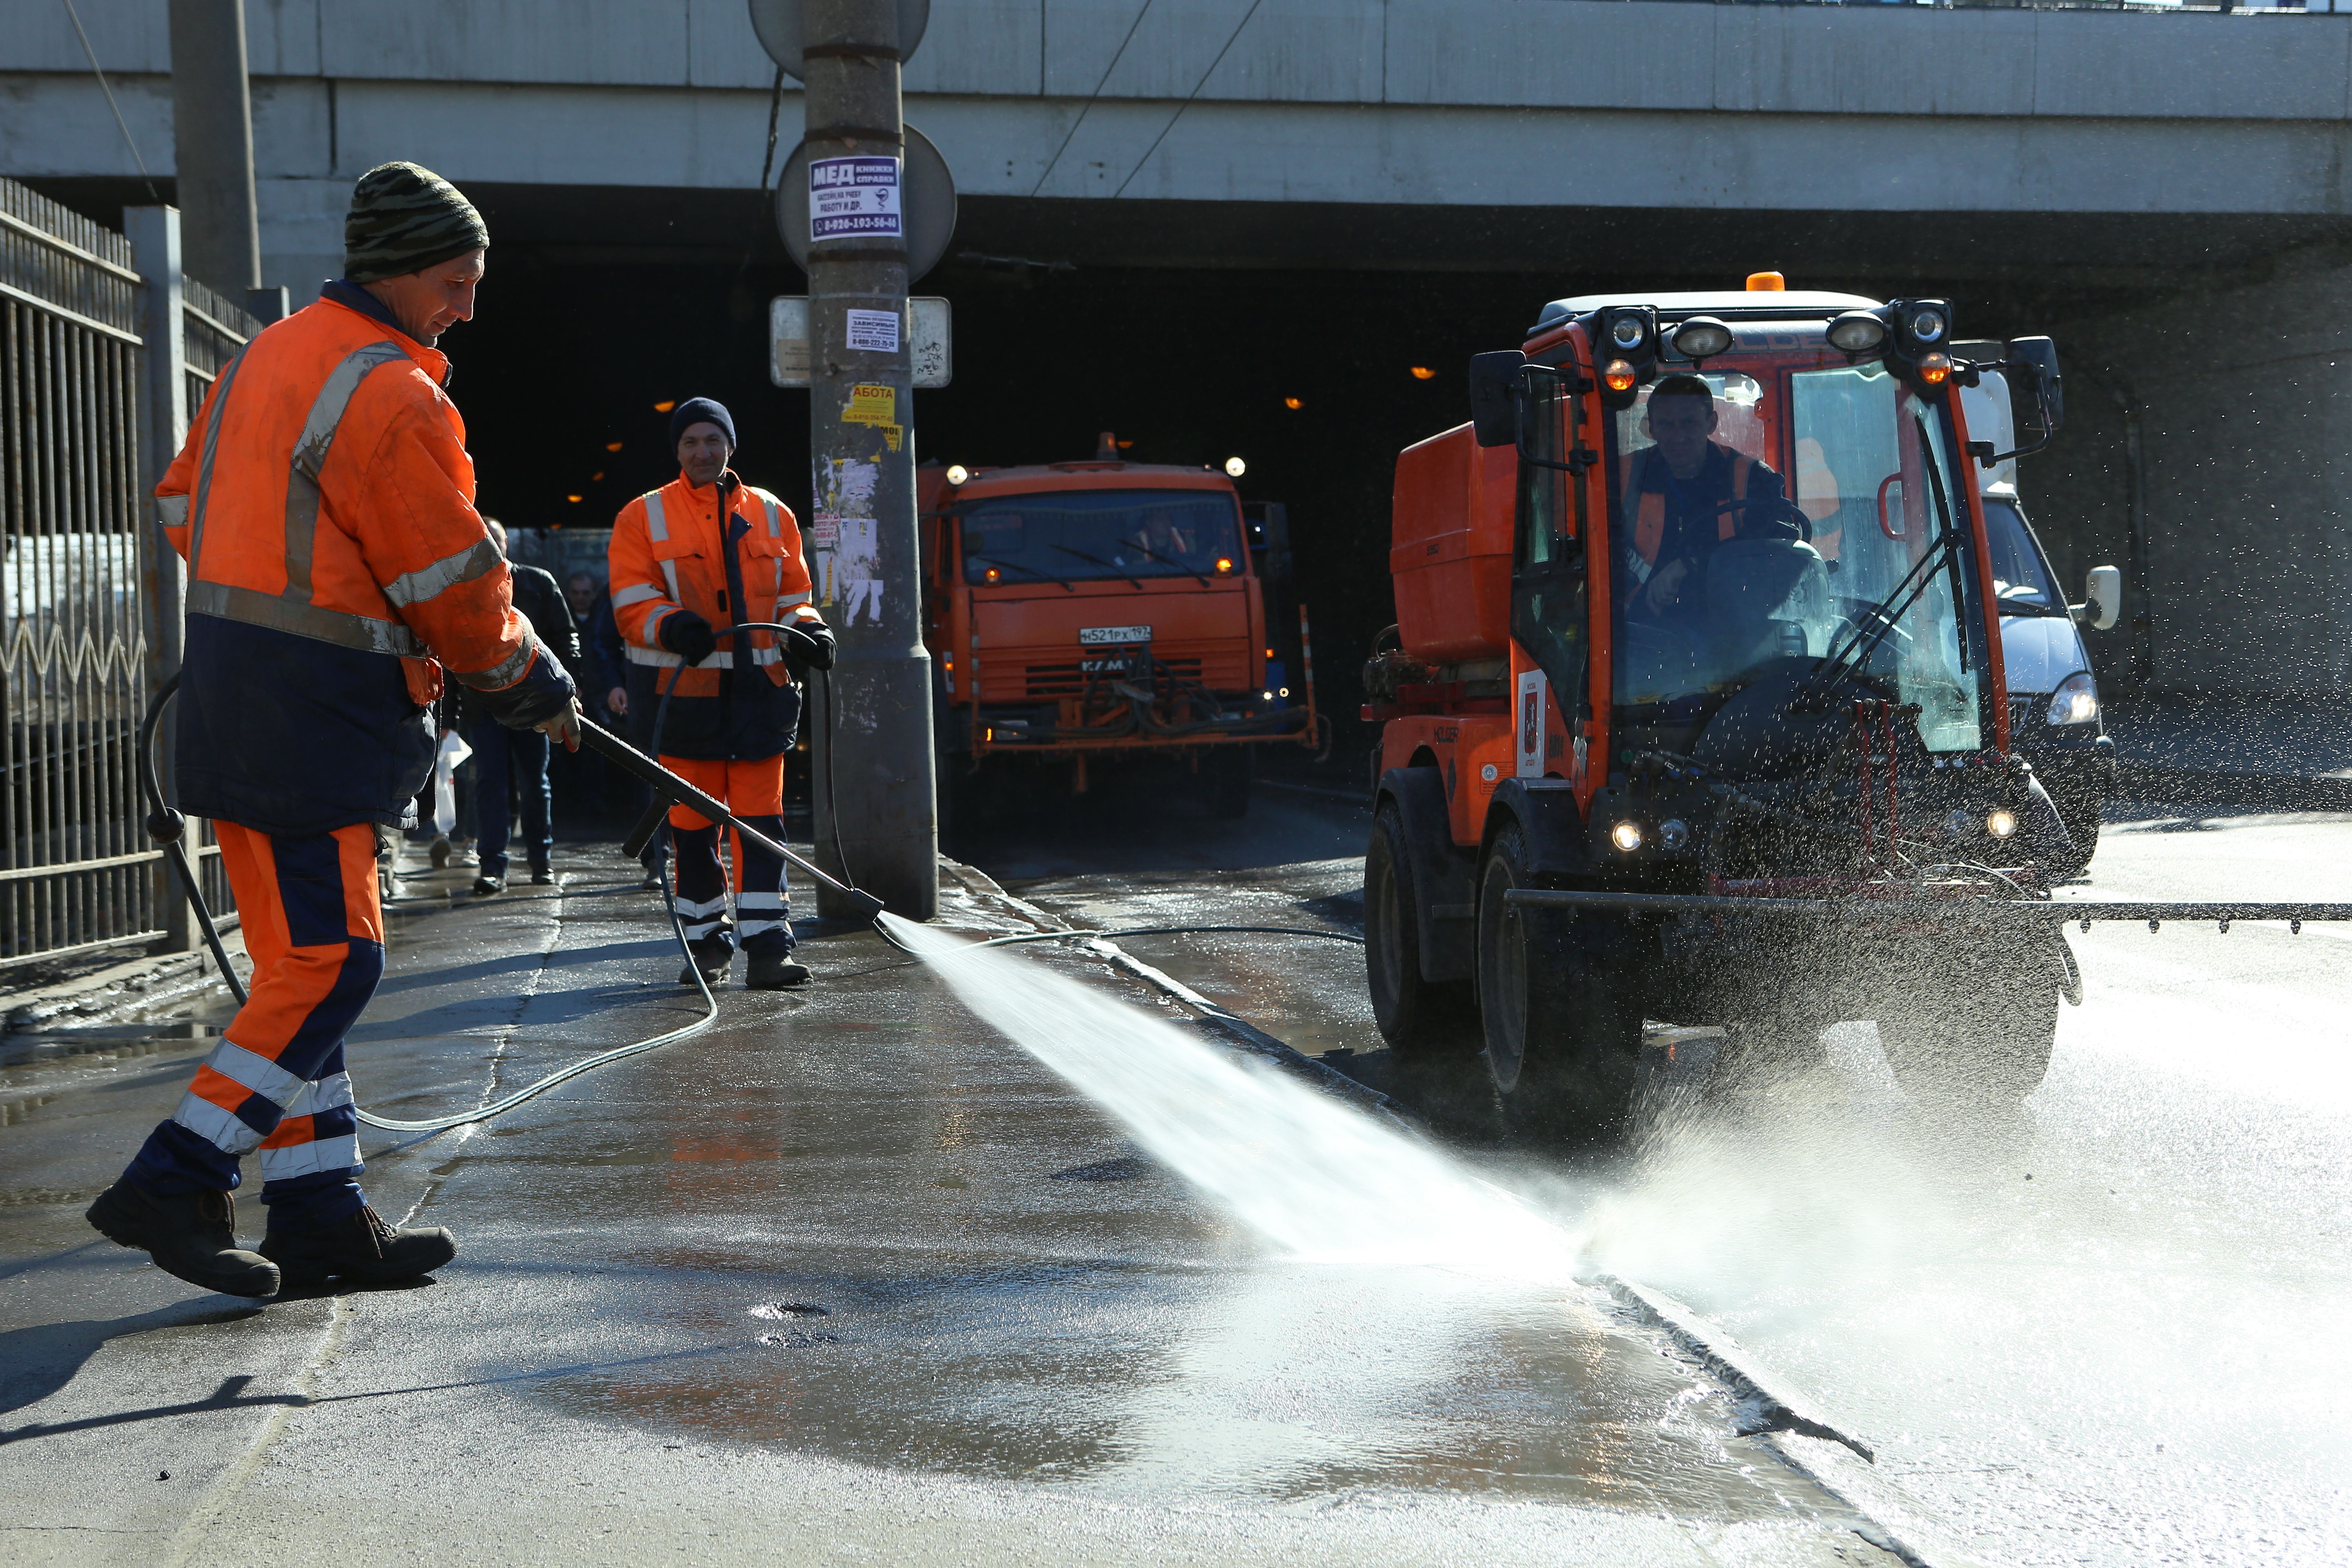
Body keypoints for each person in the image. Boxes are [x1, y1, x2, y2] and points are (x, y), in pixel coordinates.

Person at [83, 162, 578, 1299]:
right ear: (402, 270)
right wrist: (527, 677)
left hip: (239, 694)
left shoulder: (270, 356)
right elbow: (454, 589)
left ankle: (316, 1219)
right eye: (456, 282)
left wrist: (292, 574)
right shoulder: (392, 392)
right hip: (315, 713)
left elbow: (180, 500)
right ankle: (177, 1173)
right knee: (333, 963)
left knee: (295, 971)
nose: (466, 306)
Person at [608, 397, 832, 990]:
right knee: (694, 832)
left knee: (763, 829)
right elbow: (631, 600)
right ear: (677, 451)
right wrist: (672, 623)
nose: (703, 451)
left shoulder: (774, 515)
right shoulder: (643, 517)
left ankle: (767, 948)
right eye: (691, 442)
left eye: (713, 440)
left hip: (761, 702)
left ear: (730, 446)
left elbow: (794, 595)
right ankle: (706, 946)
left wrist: (810, 629)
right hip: (683, 705)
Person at [462, 519, 581, 894]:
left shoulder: (538, 583)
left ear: (507, 544)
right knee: (490, 784)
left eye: (495, 541)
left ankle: (539, 860)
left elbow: (567, 638)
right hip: (486, 708)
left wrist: (566, 694)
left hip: (536, 705)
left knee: (534, 784)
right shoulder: (466, 589)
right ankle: (494, 866)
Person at [1617, 374, 1788, 618]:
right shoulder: (1622, 476)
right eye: (1666, 425)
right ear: (1652, 428)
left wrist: (1693, 564)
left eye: (1689, 423)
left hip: (1731, 625)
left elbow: (1781, 548)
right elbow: (1594, 550)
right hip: (1638, 628)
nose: (1678, 437)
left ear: (1712, 423)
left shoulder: (1753, 478)